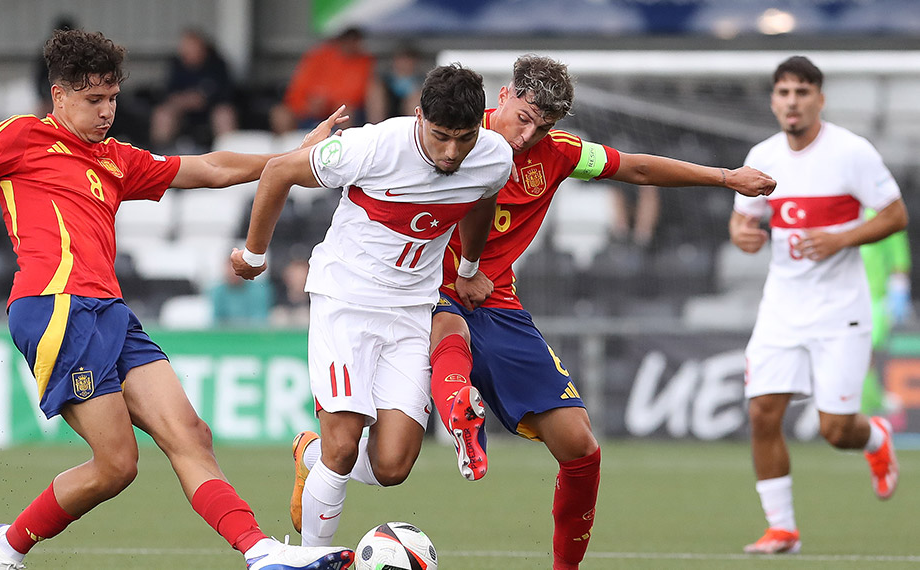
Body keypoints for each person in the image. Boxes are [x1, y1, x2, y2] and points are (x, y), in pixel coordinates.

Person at [0, 28, 354, 570]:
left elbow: (207, 168)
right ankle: (7, 545)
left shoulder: (115, 158)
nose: (106, 112)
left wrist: (292, 157)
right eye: (93, 100)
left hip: (110, 313)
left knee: (191, 435)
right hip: (54, 306)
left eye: (112, 99)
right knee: (116, 465)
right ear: (59, 96)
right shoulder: (21, 137)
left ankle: (260, 552)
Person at [289, 54, 774, 570]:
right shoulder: (444, 136)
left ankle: (561, 564)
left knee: (580, 446)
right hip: (417, 291)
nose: (527, 136)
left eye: (543, 127)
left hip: (493, 298)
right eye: (523, 118)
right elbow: (349, 161)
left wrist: (725, 178)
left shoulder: (559, 154)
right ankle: (459, 412)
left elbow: (635, 166)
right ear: (502, 97)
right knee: (445, 315)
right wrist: (304, 156)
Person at [232, 64, 512, 548]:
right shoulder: (372, 146)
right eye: (441, 136)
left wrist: (468, 269)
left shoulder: (491, 157)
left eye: (463, 139)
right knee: (343, 448)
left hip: (410, 312)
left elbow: (481, 198)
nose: (451, 153)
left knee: (393, 465)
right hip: (347, 301)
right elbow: (279, 172)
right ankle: (311, 559)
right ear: (419, 115)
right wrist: (255, 256)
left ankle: (311, 454)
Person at [730, 55, 906, 555]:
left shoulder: (852, 153)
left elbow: (895, 215)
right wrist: (742, 235)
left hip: (840, 310)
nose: (792, 102)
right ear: (773, 100)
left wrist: (840, 238)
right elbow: (744, 222)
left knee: (835, 430)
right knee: (763, 411)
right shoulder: (762, 155)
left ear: (820, 100)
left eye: (802, 92)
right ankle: (782, 528)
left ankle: (872, 438)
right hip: (781, 307)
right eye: (784, 92)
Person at [269, 27, 374, 135]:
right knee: (280, 114)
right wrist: (308, 104)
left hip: (337, 112)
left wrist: (328, 100)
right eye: (348, 39)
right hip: (306, 111)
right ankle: (287, 150)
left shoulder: (363, 61)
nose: (351, 44)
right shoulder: (318, 56)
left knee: (345, 111)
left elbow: (356, 94)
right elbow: (297, 90)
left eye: (355, 40)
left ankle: (346, 146)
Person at [859, 211, 910, 426]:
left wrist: (899, 288)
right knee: (858, 354)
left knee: (864, 351)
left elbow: (899, 257)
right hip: (843, 297)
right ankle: (870, 404)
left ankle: (868, 407)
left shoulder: (883, 213)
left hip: (876, 298)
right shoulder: (840, 211)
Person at [150, 28, 237, 153]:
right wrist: (184, 100)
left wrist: (203, 98)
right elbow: (167, 92)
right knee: (162, 114)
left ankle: (228, 154)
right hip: (182, 109)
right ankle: (159, 155)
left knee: (224, 114)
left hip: (210, 109)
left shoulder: (216, 64)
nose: (187, 51)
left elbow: (226, 93)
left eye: (192, 47)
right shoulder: (176, 65)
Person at [365, 43, 422, 124]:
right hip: (389, 106)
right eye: (401, 60)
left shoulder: (420, 80)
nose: (404, 64)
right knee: (375, 92)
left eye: (408, 60)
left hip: (408, 109)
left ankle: (409, 131)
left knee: (416, 98)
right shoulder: (386, 78)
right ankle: (375, 129)